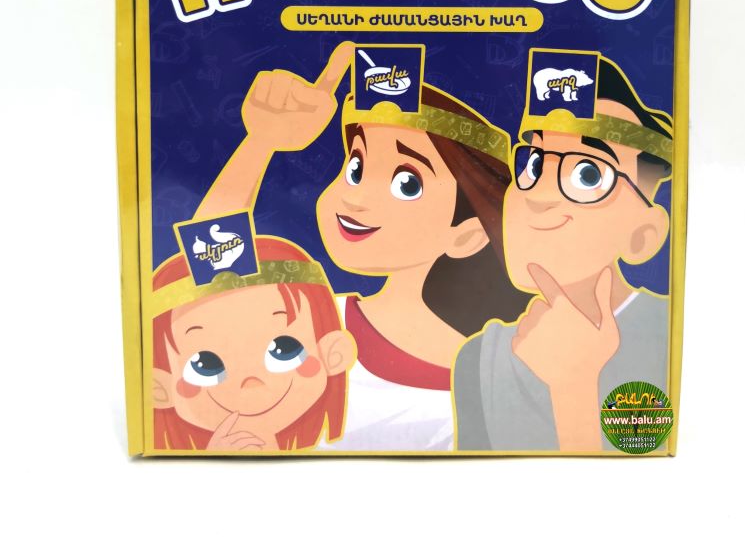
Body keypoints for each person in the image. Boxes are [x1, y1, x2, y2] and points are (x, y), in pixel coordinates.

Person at [195, 43, 529, 451]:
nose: (355, 197)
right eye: (356, 167)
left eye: (406, 183)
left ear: (466, 235)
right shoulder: (313, 323)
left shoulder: (500, 370)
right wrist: (261, 143)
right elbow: (212, 281)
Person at [454, 51, 673, 453]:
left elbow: (643, 471)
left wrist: (574, 384)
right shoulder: (479, 359)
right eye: (535, 165)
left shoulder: (668, 336)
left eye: (588, 174)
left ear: (643, 235)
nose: (538, 196)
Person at [152, 233, 356, 452]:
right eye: (206, 365)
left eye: (284, 349)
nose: (250, 382)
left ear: (333, 353)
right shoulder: (175, 465)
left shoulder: (349, 440)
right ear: (160, 388)